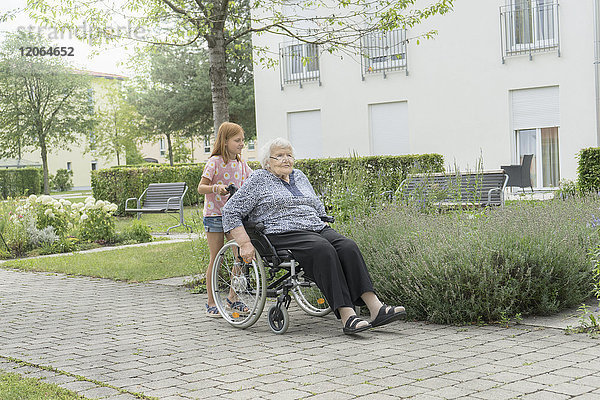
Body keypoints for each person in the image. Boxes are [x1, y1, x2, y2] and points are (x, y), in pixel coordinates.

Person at [222, 137, 406, 335]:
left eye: (289, 155)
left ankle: (376, 308)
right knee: (322, 249)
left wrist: (323, 224)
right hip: (282, 232)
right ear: (267, 162)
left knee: (348, 247)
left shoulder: (299, 176)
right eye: (280, 156)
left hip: (314, 227)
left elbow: (317, 206)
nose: (286, 160)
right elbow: (230, 211)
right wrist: (244, 243)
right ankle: (347, 315)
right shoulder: (259, 179)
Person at [197, 122, 253, 318]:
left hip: (233, 217)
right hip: (214, 216)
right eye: (237, 140)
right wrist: (216, 188)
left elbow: (252, 182)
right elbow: (200, 187)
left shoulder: (241, 164)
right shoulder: (215, 162)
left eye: (242, 140)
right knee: (217, 259)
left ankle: (232, 299)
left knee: (240, 255)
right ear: (225, 141)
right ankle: (211, 302)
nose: (241, 144)